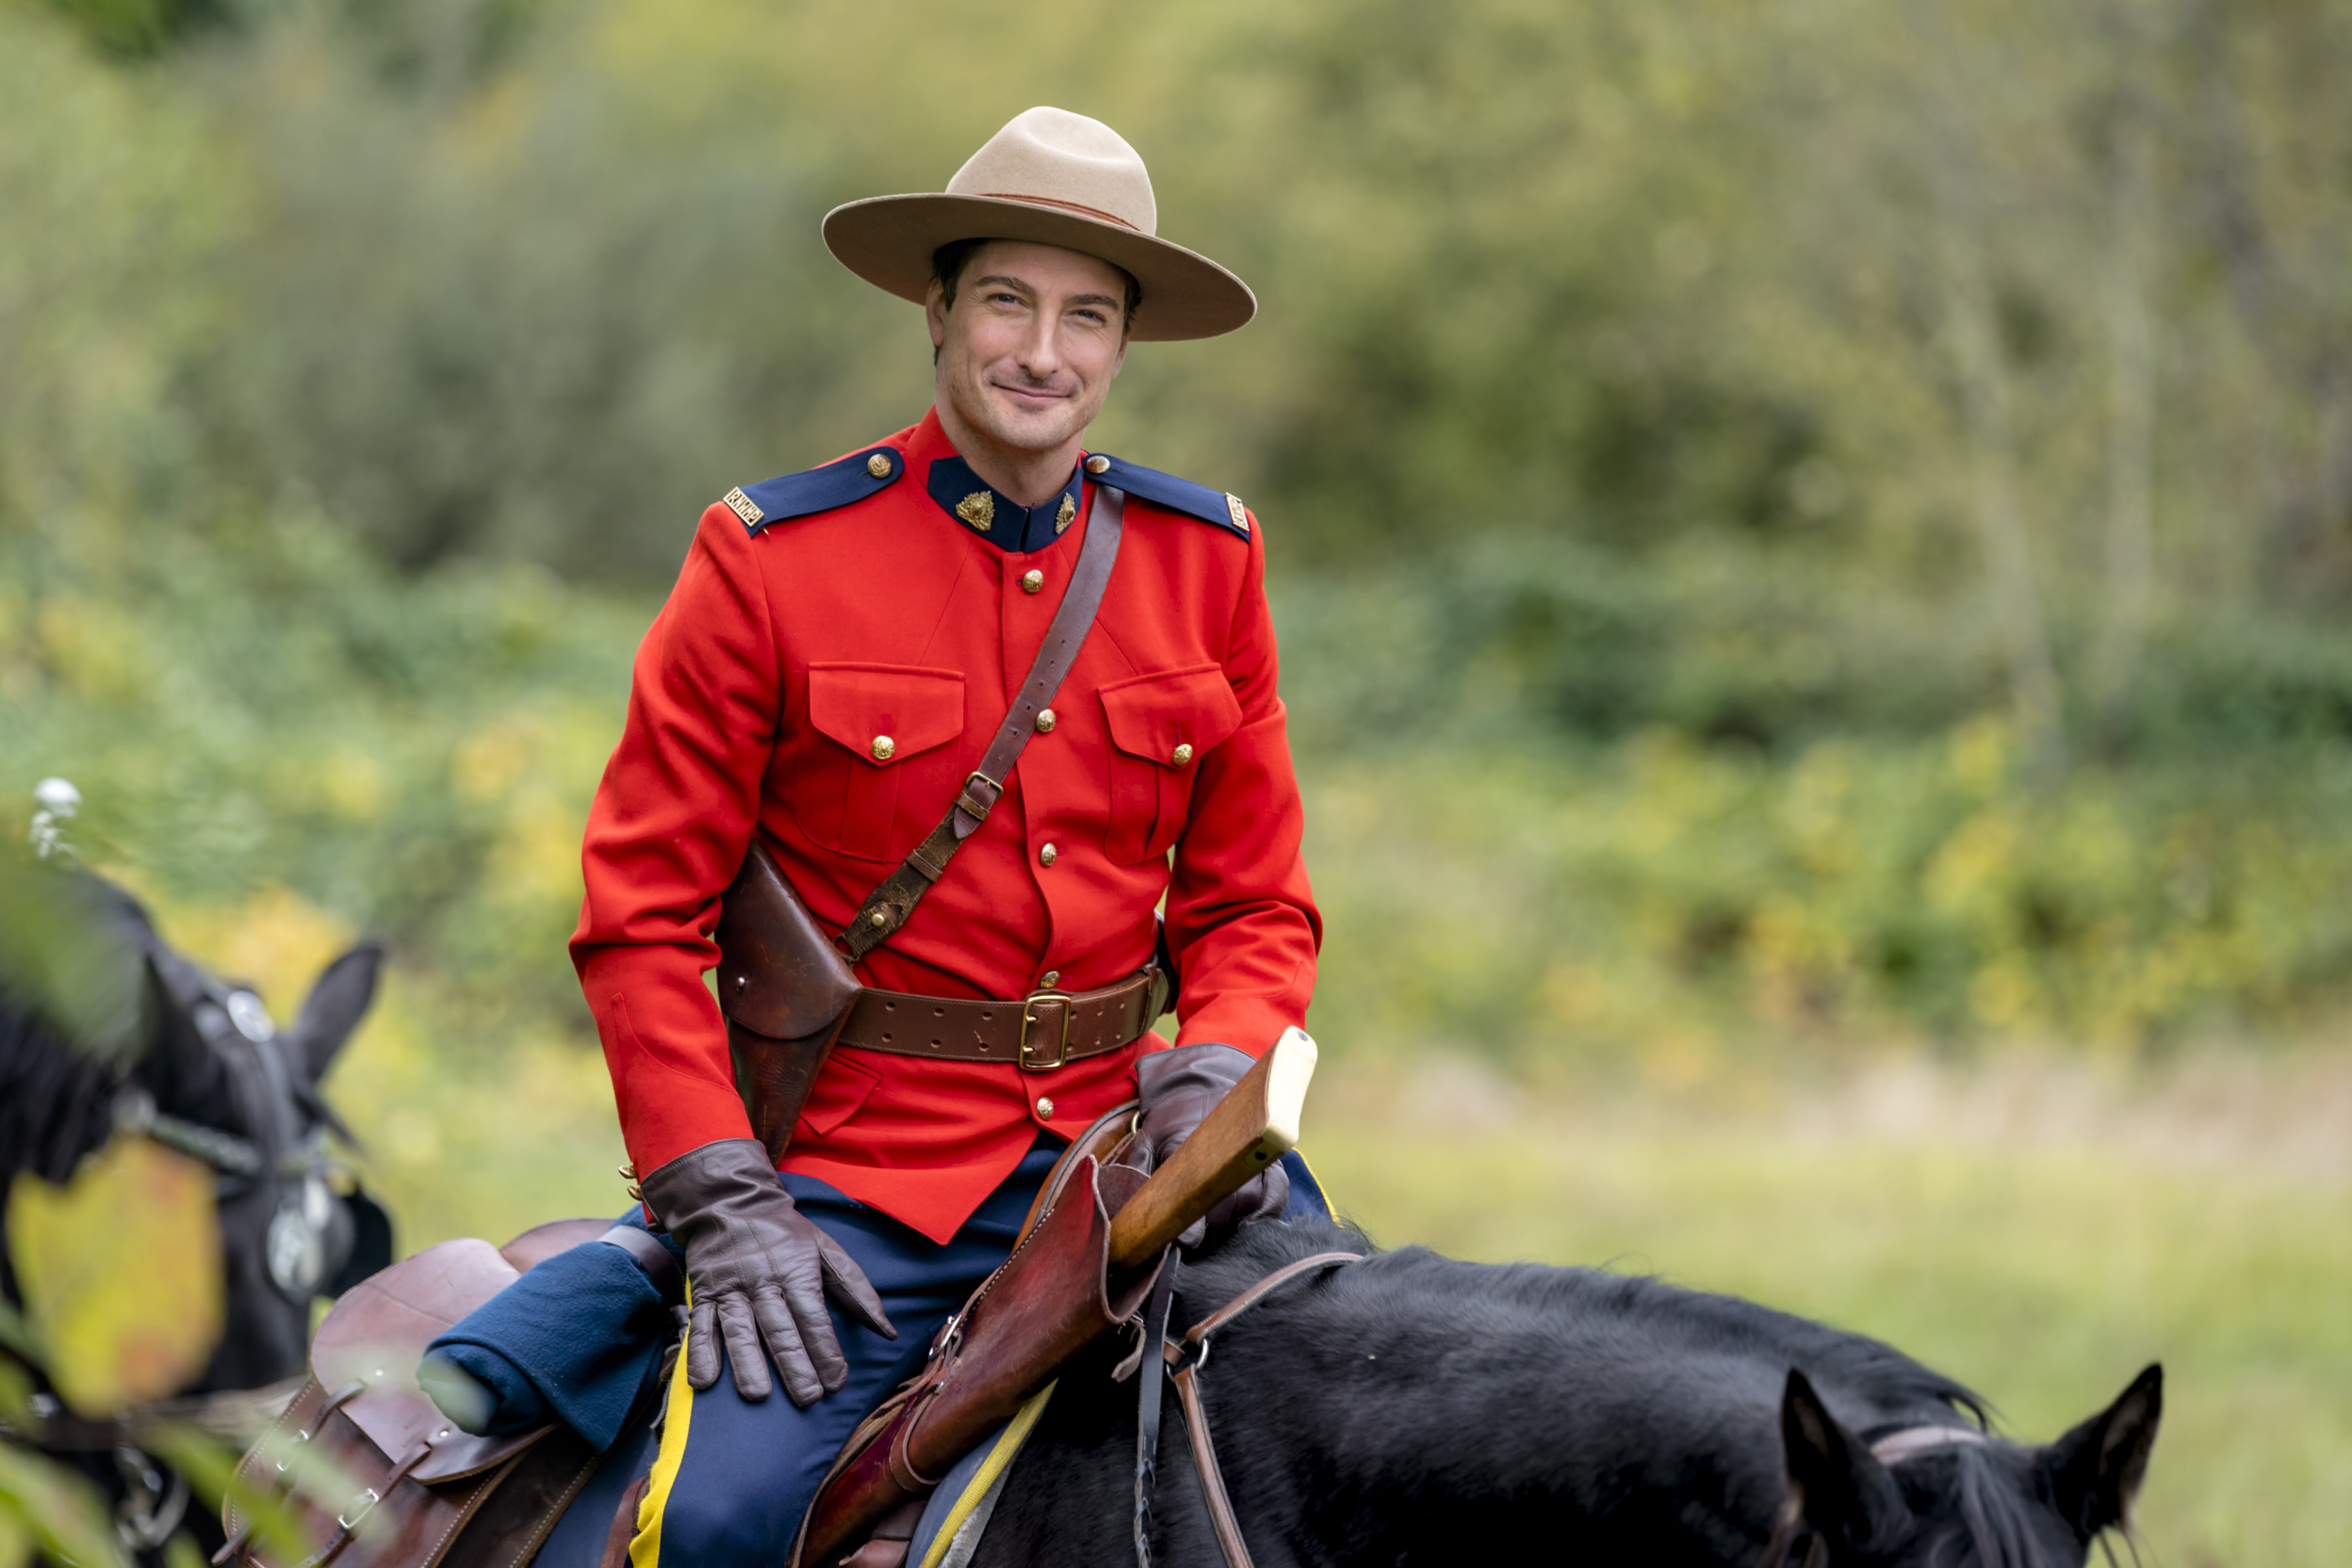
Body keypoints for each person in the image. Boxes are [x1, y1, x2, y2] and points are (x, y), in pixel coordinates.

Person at [568, 105, 1322, 1565]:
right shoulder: (772, 561)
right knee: (712, 1523)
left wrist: (1218, 1073)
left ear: (1123, 345)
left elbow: (1253, 907)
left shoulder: (1206, 562)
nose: (1044, 351)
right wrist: (722, 1200)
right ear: (938, 310)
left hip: (1135, 1164)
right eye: (1007, 302)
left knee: (1377, 1433)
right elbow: (640, 921)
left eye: (1087, 315)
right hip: (864, 1190)